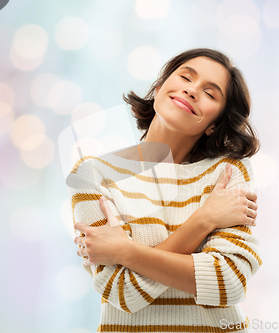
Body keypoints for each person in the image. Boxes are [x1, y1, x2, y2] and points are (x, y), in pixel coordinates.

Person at [66, 48, 262, 333]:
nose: (192, 91)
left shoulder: (228, 172)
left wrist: (125, 252)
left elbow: (229, 282)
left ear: (214, 124)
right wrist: (204, 220)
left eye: (210, 93)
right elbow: (124, 293)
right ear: (158, 89)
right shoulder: (93, 174)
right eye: (186, 77)